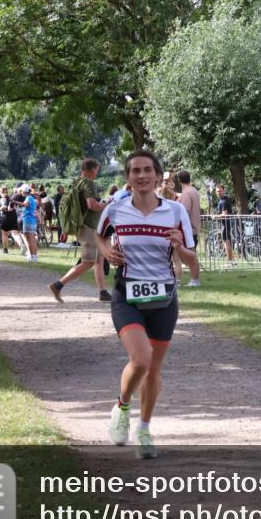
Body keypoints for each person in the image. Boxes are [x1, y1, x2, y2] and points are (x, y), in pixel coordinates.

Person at [102, 150, 195, 459]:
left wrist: (180, 247)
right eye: (135, 171)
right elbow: (98, 237)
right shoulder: (115, 209)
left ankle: (143, 428)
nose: (141, 176)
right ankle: (122, 407)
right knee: (141, 358)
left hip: (164, 298)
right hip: (127, 295)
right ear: (128, 177)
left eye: (147, 170)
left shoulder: (175, 211)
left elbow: (192, 261)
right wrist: (107, 251)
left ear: (157, 175)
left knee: (153, 369)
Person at [49, 158, 111, 302]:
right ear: (92, 169)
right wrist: (107, 204)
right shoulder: (89, 183)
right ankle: (58, 285)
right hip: (89, 227)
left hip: (83, 225)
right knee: (88, 261)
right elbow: (92, 205)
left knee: (99, 259)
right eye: (97, 170)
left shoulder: (76, 182)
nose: (97, 173)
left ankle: (103, 292)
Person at [176, 171, 201, 287]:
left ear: (179, 180)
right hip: (194, 227)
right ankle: (194, 280)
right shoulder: (194, 191)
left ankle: (195, 280)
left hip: (189, 229)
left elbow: (184, 211)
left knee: (190, 256)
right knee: (192, 255)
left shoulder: (186, 193)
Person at [14, 184, 39, 261]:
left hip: (28, 220)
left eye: (21, 191)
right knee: (33, 240)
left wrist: (14, 201)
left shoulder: (28, 198)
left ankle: (31, 256)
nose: (20, 192)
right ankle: (35, 256)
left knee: (28, 240)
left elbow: (24, 205)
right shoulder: (32, 198)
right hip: (33, 221)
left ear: (24, 191)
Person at [216, 184, 236, 268]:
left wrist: (215, 216)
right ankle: (232, 261)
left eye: (220, 191)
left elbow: (224, 214)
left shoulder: (223, 201)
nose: (218, 193)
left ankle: (229, 261)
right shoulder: (223, 200)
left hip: (225, 224)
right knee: (227, 242)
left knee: (226, 243)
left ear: (223, 190)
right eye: (217, 191)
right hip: (225, 224)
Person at [0, 186, 21, 254]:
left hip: (6, 216)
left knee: (4, 234)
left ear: (0, 192)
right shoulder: (10, 198)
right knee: (15, 233)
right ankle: (21, 245)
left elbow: (4, 206)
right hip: (13, 216)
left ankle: (5, 249)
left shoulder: (2, 199)